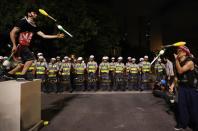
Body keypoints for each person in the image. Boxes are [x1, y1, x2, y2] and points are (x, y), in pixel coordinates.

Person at [4, 5, 64, 80]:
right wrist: (14, 45)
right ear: (29, 14)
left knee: (22, 64)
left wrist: (56, 36)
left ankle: (9, 74)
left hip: (24, 45)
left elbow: (43, 36)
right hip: (21, 45)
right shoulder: (22, 22)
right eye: (34, 13)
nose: (36, 14)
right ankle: (22, 76)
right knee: (31, 59)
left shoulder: (34, 26)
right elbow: (12, 33)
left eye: (36, 13)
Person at [174, 46, 198, 131]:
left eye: (179, 51)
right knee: (182, 107)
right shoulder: (178, 63)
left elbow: (180, 71)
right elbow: (177, 76)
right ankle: (182, 123)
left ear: (185, 52)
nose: (178, 52)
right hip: (182, 88)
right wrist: (172, 85)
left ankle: (195, 125)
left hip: (191, 89)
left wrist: (176, 60)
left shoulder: (190, 62)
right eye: (177, 51)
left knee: (194, 108)